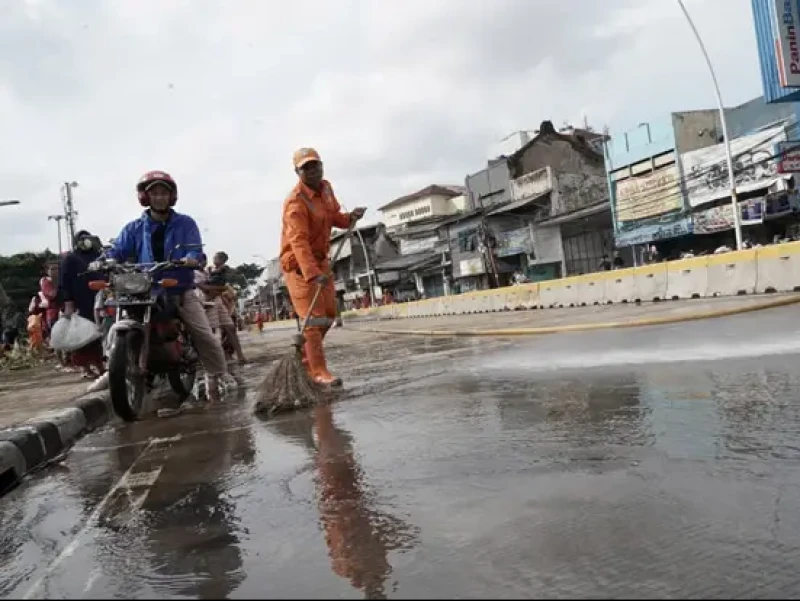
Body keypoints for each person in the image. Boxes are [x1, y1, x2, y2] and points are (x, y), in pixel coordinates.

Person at [108, 170, 227, 408]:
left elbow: (194, 248)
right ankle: (118, 363)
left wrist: (192, 258)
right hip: (145, 289)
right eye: (154, 193)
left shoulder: (185, 223)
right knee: (112, 323)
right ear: (145, 197)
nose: (159, 197)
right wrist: (106, 259)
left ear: (171, 196)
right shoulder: (134, 228)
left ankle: (217, 376)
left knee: (203, 334)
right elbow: (117, 249)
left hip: (177, 289)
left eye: (163, 193)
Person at [279, 147, 366, 387]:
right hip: (299, 265)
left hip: (321, 261)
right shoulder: (295, 202)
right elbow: (298, 241)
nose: (313, 170)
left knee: (328, 316)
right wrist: (311, 274)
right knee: (314, 320)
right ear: (297, 172)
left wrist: (350, 218)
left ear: (322, 165)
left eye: (315, 164)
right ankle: (318, 371)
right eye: (306, 167)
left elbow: (333, 216)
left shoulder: (326, 188)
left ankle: (306, 361)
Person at [58, 230, 106, 379]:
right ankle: (85, 368)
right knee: (81, 337)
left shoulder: (96, 257)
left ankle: (99, 364)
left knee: (97, 335)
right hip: (80, 302)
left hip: (97, 300)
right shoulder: (70, 259)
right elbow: (64, 282)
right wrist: (68, 302)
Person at [207, 251, 247, 364]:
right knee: (215, 330)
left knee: (229, 328)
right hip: (211, 300)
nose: (213, 259)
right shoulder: (209, 270)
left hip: (216, 299)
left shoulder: (221, 270)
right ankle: (219, 358)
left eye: (215, 257)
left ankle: (239, 355)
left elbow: (222, 287)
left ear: (221, 260)